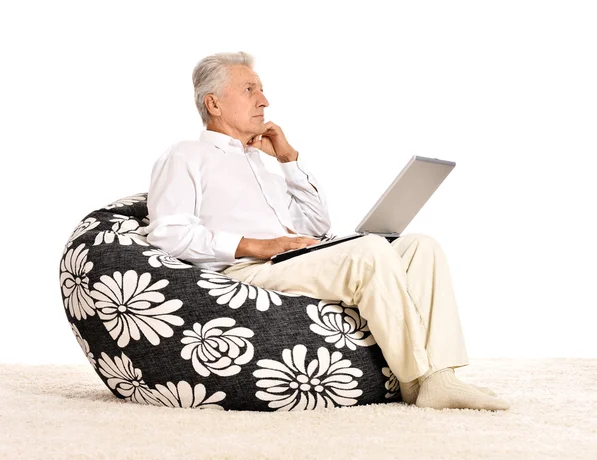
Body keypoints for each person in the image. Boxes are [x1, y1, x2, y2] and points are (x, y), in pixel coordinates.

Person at [143, 51, 510, 411]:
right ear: (214, 103)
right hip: (245, 272)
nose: (265, 100)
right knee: (369, 252)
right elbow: (169, 234)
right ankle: (417, 381)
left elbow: (316, 225)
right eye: (250, 90)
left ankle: (442, 377)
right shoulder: (185, 155)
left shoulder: (261, 161)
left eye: (262, 90)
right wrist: (259, 245)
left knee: (421, 247)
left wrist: (288, 159)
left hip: (291, 259)